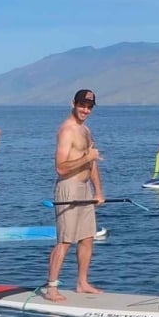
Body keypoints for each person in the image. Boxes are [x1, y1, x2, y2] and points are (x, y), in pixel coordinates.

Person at [44, 89, 104, 301]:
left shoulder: (86, 131)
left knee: (87, 238)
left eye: (89, 107)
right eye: (82, 105)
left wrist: (98, 191)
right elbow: (60, 168)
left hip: (85, 188)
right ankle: (51, 288)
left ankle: (82, 282)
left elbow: (92, 162)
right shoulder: (66, 131)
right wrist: (87, 156)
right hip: (68, 187)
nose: (85, 110)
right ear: (73, 103)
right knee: (65, 240)